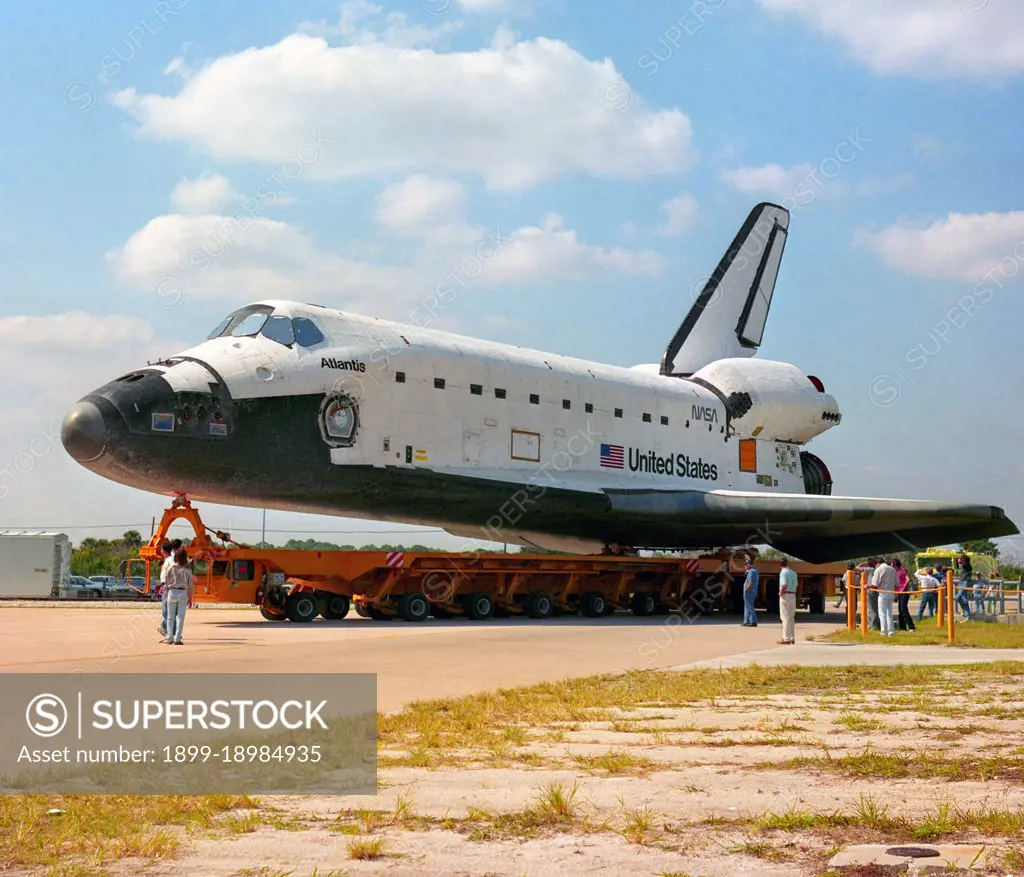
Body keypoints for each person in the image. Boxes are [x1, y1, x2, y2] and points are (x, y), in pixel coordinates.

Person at [164, 547, 193, 646]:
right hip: (183, 593)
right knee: (180, 617)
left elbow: (166, 584)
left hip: (172, 592)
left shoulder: (170, 568)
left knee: (170, 617)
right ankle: (177, 639)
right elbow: (190, 586)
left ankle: (169, 638)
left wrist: (167, 596)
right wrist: (190, 599)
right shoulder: (187, 570)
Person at [872, 557, 898, 637]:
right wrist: (895, 594)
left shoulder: (879, 569)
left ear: (877, 563)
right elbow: (896, 584)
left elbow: (874, 584)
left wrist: (867, 586)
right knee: (889, 613)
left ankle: (884, 631)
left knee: (882, 613)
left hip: (883, 593)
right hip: (891, 592)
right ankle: (891, 631)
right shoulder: (893, 569)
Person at [777, 558, 797, 645]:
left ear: (780, 564)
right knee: (791, 617)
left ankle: (786, 638)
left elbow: (784, 585)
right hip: (793, 594)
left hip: (786, 595)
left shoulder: (783, 572)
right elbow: (796, 584)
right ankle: (792, 637)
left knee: (785, 617)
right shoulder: (793, 573)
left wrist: (781, 593)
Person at [857, 559, 880, 630]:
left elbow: (857, 568)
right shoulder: (876, 569)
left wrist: (864, 563)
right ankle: (872, 624)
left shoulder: (868, 569)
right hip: (876, 589)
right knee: (873, 609)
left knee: (872, 609)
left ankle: (873, 626)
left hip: (870, 590)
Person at [894, 559, 915, 632]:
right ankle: (902, 627)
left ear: (895, 564)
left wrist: (903, 588)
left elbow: (908, 579)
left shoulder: (902, 570)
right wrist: (896, 595)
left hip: (904, 592)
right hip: (899, 593)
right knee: (900, 610)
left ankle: (911, 627)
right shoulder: (895, 572)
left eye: (892, 564)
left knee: (903, 609)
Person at [741, 560, 759, 627]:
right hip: (750, 591)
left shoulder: (752, 571)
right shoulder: (752, 571)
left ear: (749, 564)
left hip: (749, 591)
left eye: (746, 564)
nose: (745, 566)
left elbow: (751, 582)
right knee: (747, 606)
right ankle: (746, 621)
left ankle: (753, 621)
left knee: (749, 606)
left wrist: (746, 589)